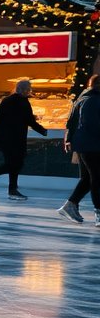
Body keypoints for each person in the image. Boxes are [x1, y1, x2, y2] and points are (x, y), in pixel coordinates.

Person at [0, 80, 47, 201]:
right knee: (15, 163)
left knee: (15, 164)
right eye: (28, 89)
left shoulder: (11, 101)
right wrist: (42, 130)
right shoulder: (19, 102)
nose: (29, 91)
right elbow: (29, 121)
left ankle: (10, 189)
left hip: (10, 138)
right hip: (12, 139)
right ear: (24, 90)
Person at [59, 74, 100, 227]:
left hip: (85, 144)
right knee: (97, 177)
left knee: (88, 178)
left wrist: (68, 139)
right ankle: (99, 212)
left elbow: (71, 121)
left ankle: (70, 205)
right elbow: (92, 124)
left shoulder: (84, 97)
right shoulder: (93, 100)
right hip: (92, 144)